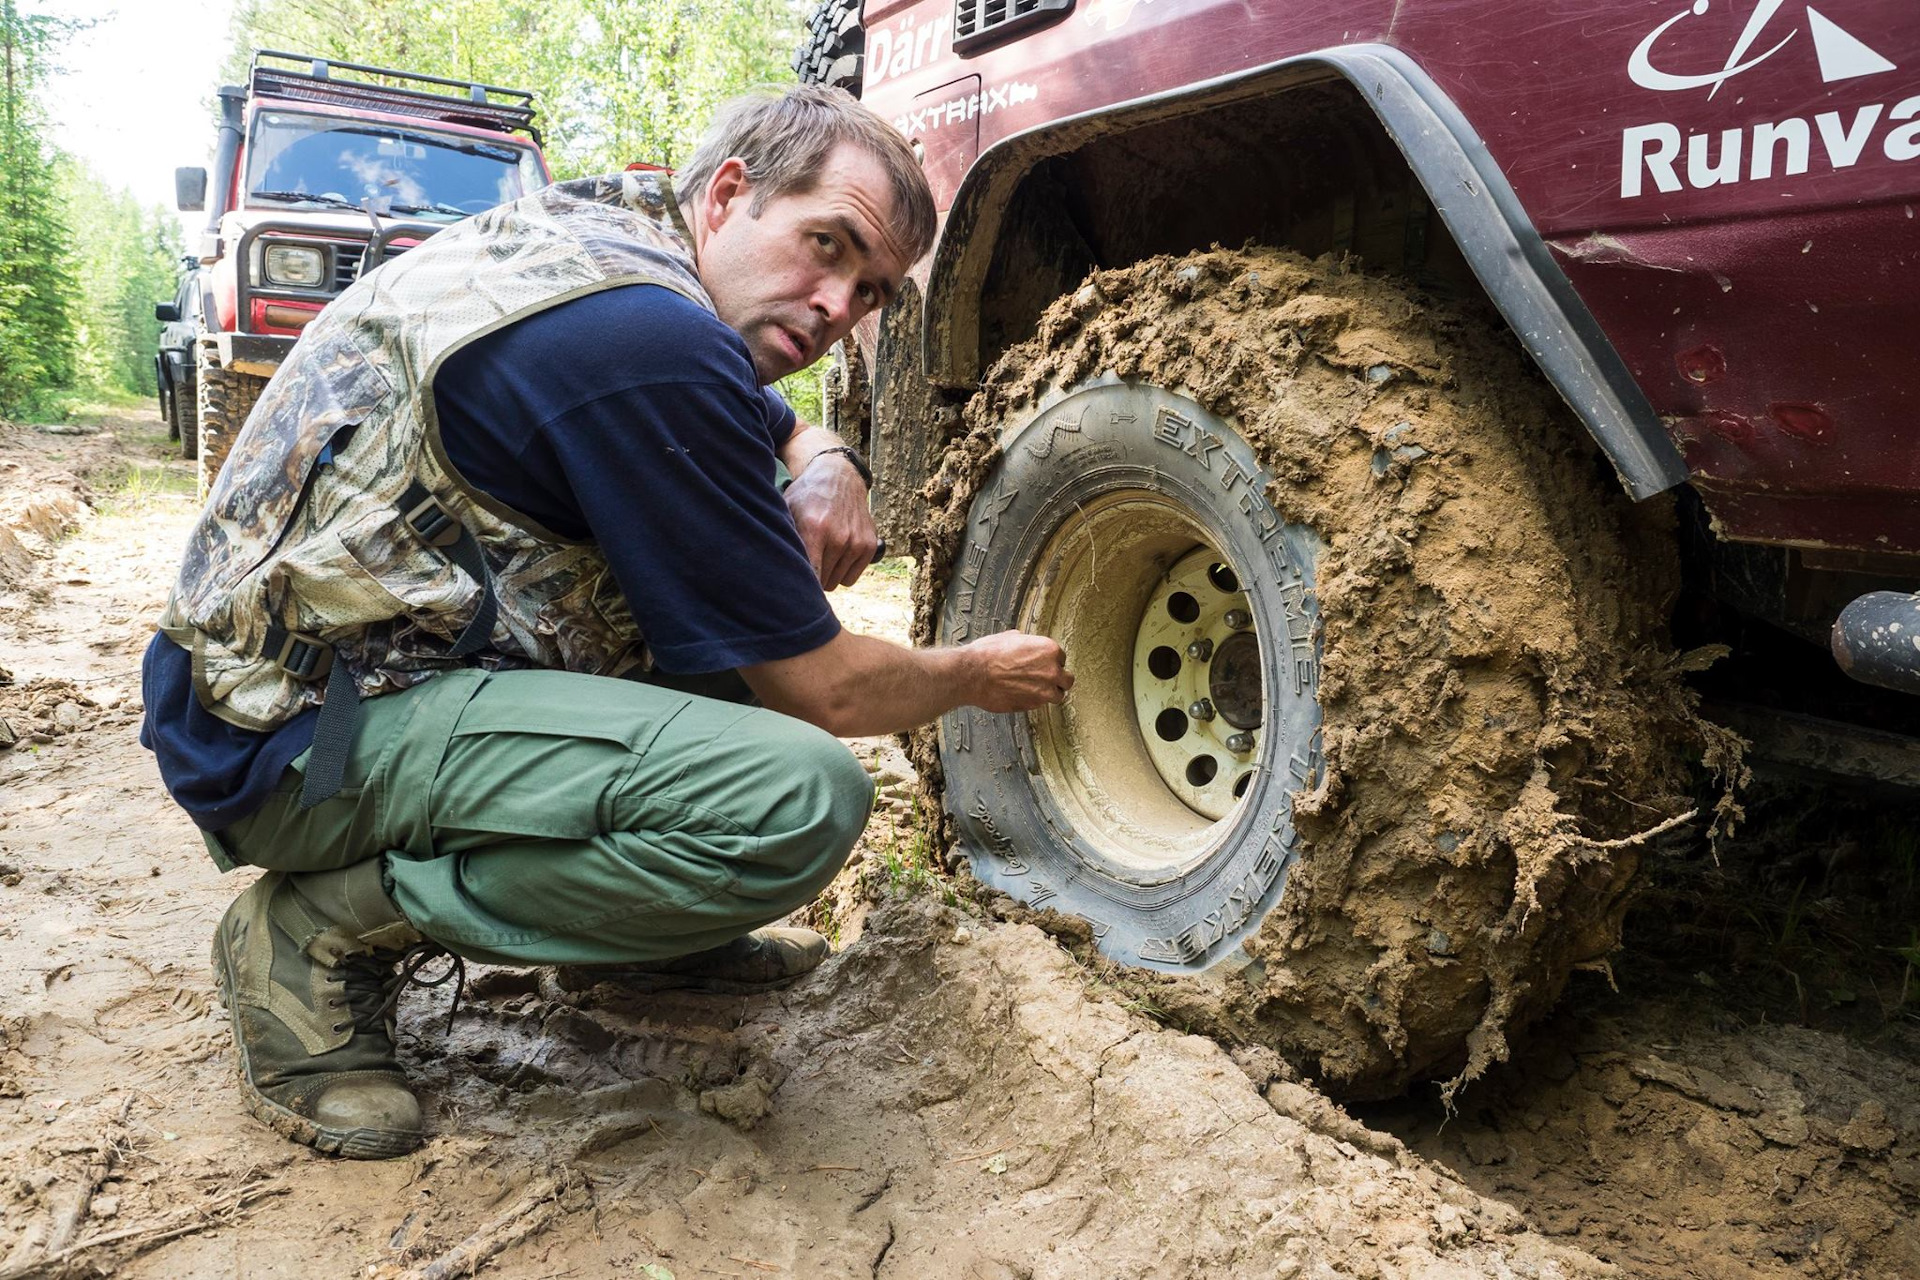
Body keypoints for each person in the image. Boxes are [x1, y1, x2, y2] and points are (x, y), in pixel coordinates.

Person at [140, 85, 1071, 1161]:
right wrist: (973, 672)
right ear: (729, 196)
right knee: (795, 793)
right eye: (828, 245)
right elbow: (831, 690)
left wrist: (821, 451)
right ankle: (312, 936)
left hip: (280, 678)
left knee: (725, 649)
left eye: (867, 293)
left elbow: (748, 405)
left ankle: (653, 937)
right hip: (298, 739)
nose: (834, 306)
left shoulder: (614, 238)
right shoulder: (651, 341)